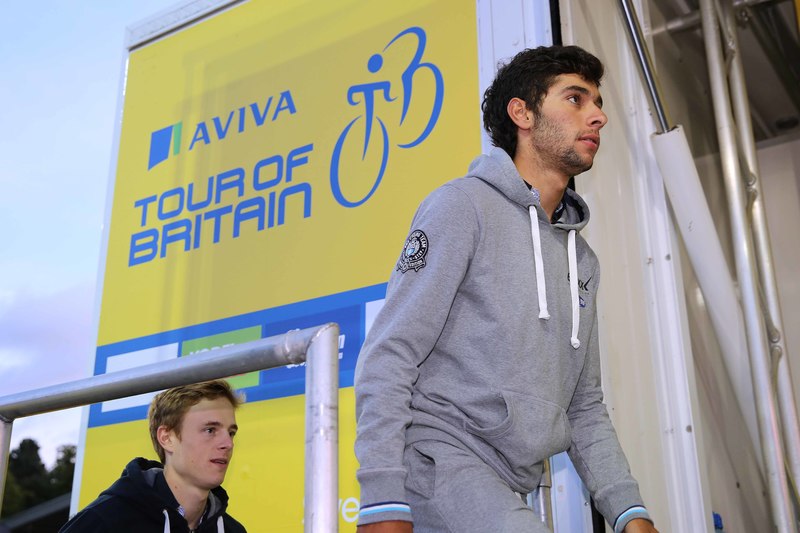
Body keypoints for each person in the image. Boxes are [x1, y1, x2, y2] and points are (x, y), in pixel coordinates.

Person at [353, 45, 659, 533]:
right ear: (523, 112)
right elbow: (390, 353)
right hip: (437, 462)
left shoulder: (581, 260)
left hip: (505, 484)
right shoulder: (462, 207)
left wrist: (628, 512)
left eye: (598, 103)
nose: (598, 116)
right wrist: (382, 500)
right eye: (576, 99)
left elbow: (582, 406)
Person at [60, 379, 246, 532]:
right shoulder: (103, 522)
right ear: (166, 438)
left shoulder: (233, 530)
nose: (227, 444)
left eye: (231, 433)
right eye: (210, 430)